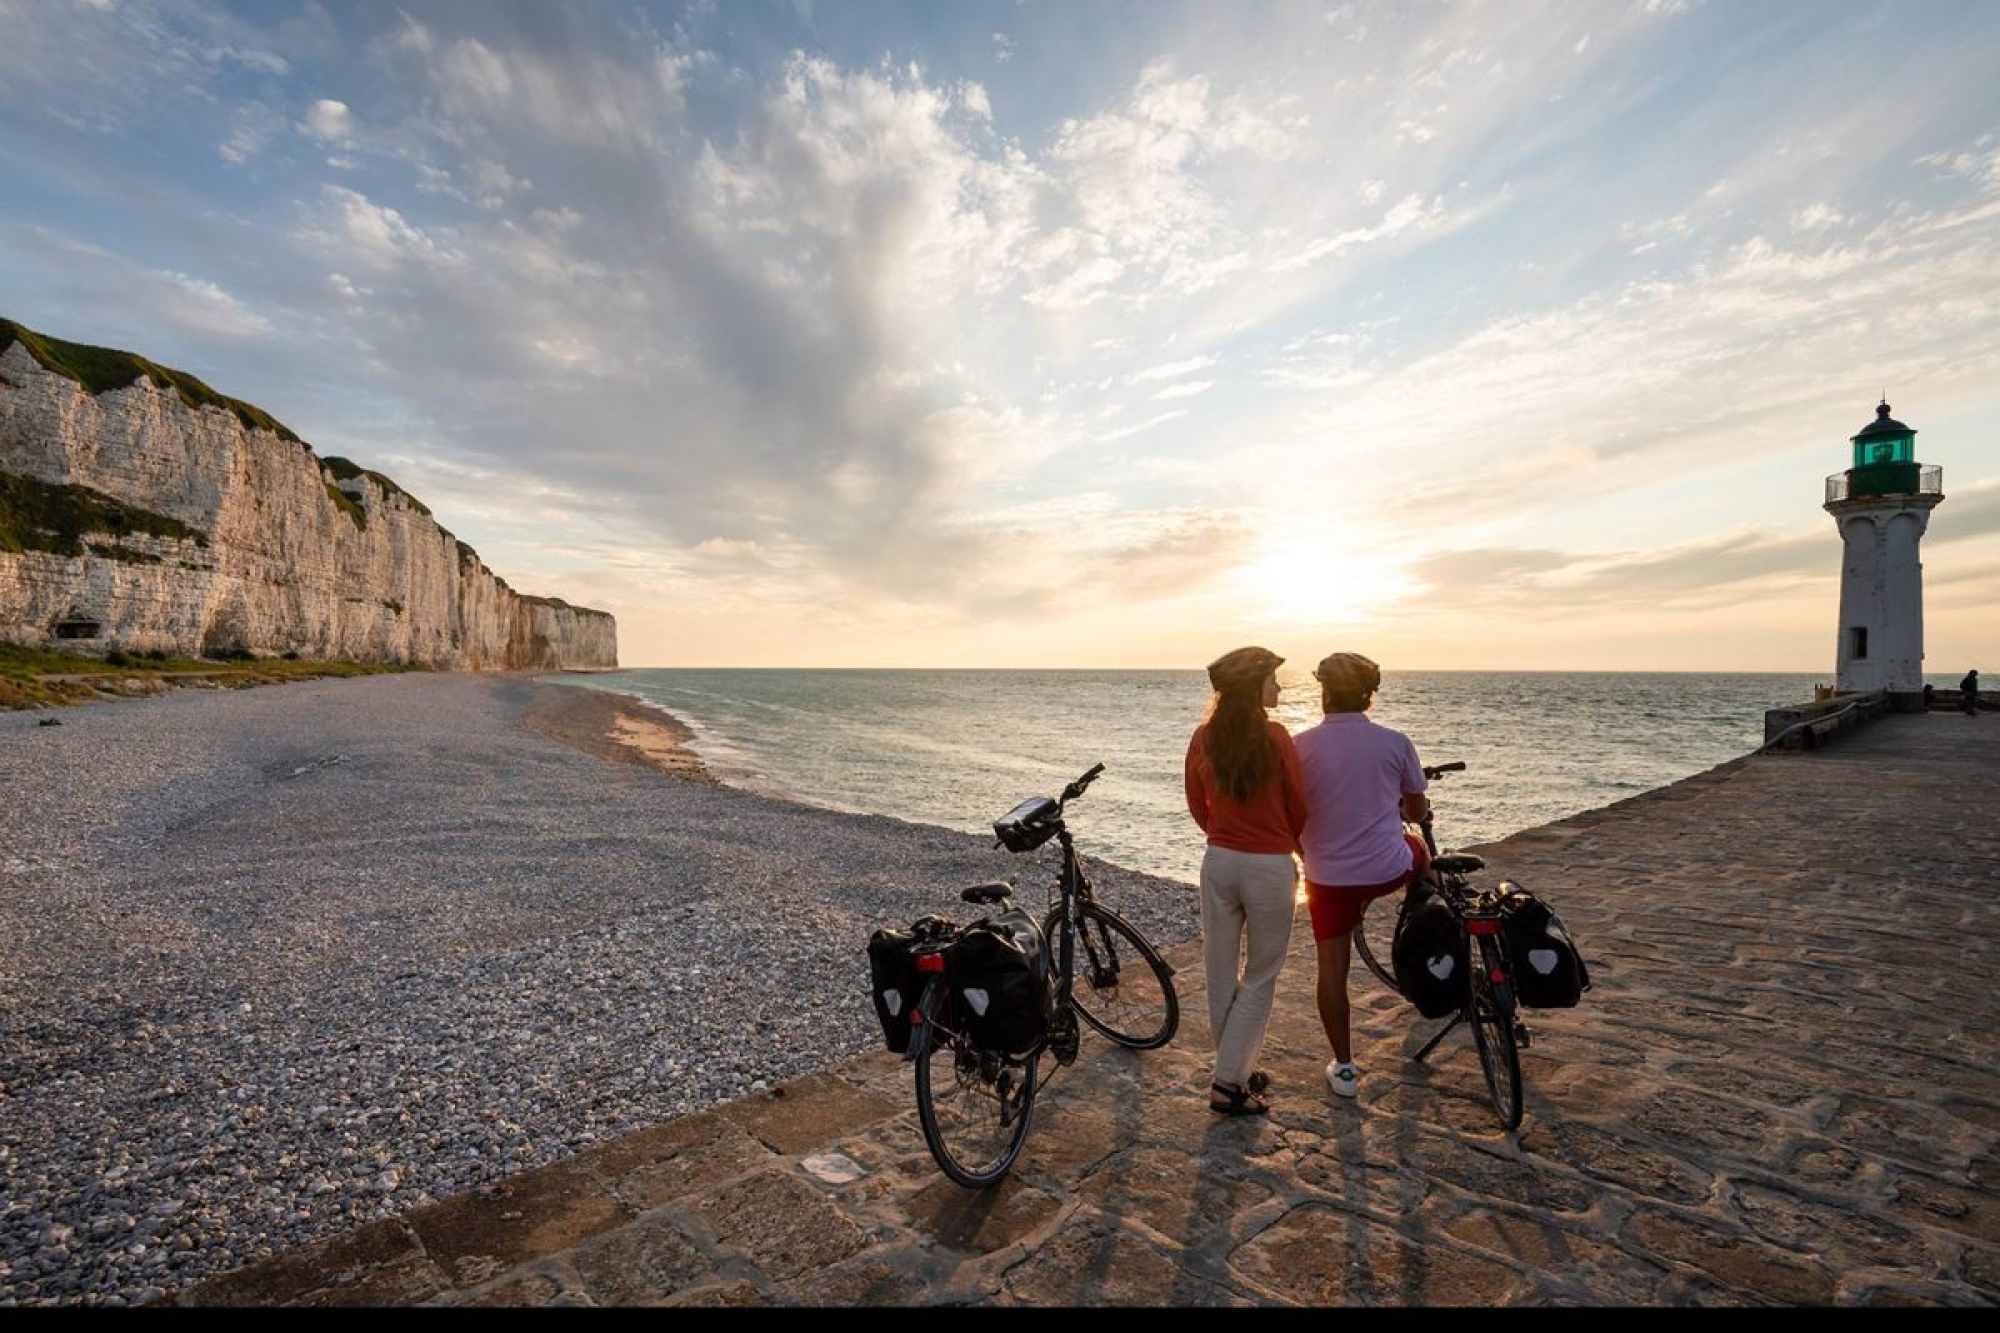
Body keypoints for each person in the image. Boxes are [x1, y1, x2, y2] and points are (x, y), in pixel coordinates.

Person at [1293, 652, 1430, 1101]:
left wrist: (1305, 849)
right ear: (1369, 697)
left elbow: (1292, 814)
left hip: (1328, 877)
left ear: (1324, 693)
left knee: (1331, 972)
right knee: (1421, 850)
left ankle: (1346, 1069)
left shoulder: (1300, 747)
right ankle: (1421, 924)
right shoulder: (1395, 742)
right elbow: (1415, 810)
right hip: (1385, 869)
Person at [1184, 646, 1308, 1116]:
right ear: (1252, 688)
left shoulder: (1203, 738)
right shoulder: (1276, 737)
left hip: (1219, 860)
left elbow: (1197, 803)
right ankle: (1226, 1084)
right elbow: (1299, 804)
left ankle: (1235, 1068)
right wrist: (1286, 839)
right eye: (1272, 680)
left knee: (1220, 970)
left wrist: (1224, 835)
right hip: (1268, 865)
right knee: (1259, 976)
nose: (1277, 687)